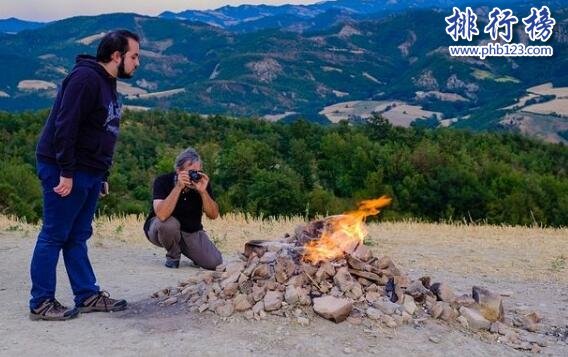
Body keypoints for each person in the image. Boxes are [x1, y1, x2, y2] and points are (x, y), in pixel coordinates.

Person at [30, 30, 140, 321]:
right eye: (134, 56)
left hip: (88, 170)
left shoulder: (106, 82)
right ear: (116, 56)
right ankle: (41, 303)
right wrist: (65, 172)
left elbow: (103, 132)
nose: (137, 63)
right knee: (54, 235)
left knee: (78, 235)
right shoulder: (85, 79)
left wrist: (102, 174)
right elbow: (65, 126)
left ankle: (87, 294)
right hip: (64, 167)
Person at [144, 147, 223, 270]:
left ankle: (191, 253)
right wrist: (178, 187)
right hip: (160, 229)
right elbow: (162, 215)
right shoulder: (163, 181)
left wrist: (203, 192)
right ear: (178, 170)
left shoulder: (201, 184)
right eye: (191, 172)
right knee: (168, 224)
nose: (194, 176)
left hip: (190, 231)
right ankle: (173, 256)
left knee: (215, 263)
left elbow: (213, 215)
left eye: (197, 172)